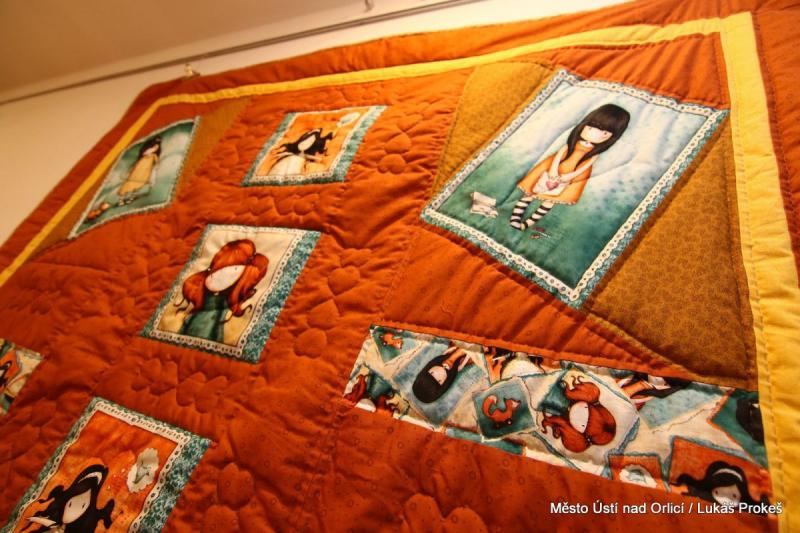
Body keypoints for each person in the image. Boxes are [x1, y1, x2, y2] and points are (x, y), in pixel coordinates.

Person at [509, 104, 630, 237]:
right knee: (533, 190)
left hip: (571, 176)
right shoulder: (572, 144)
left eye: (604, 133)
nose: (593, 133)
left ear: (612, 136)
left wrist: (570, 176)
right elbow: (559, 155)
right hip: (555, 169)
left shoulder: (594, 154)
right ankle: (515, 218)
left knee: (551, 200)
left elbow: (585, 166)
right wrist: (553, 170)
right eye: (590, 127)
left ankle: (527, 224)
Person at [174, 239, 268, 344]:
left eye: (231, 272)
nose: (216, 276)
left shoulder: (222, 305)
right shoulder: (203, 296)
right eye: (217, 268)